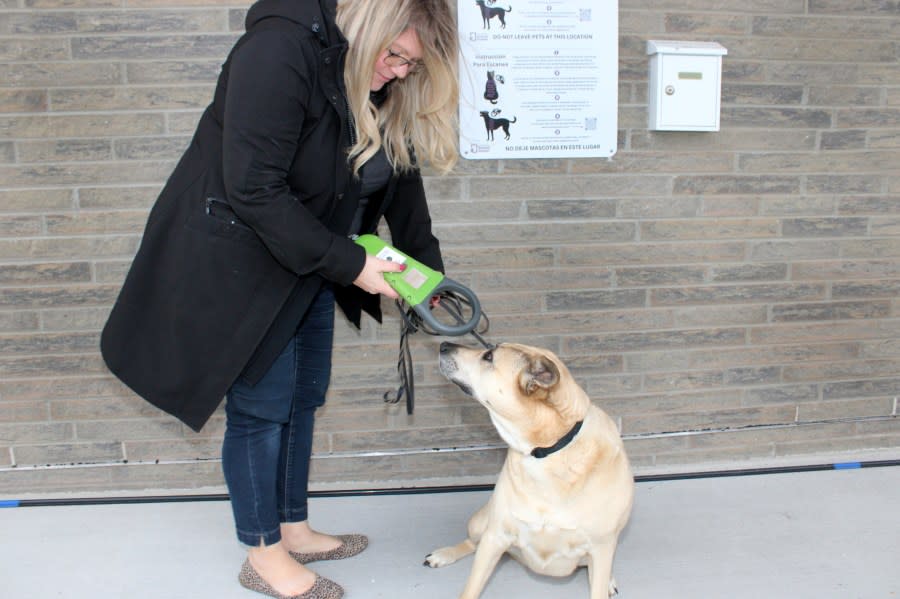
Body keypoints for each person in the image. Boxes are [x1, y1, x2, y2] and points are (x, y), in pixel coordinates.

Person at [100, 0, 459, 597]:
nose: (399, 72)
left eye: (411, 66)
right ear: (367, 27)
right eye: (396, 56)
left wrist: (429, 279)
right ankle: (262, 555)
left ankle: (292, 528)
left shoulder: (371, 76)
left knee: (300, 397)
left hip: (311, 261)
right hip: (247, 261)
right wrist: (353, 264)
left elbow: (400, 181)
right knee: (261, 408)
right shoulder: (278, 50)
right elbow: (254, 187)